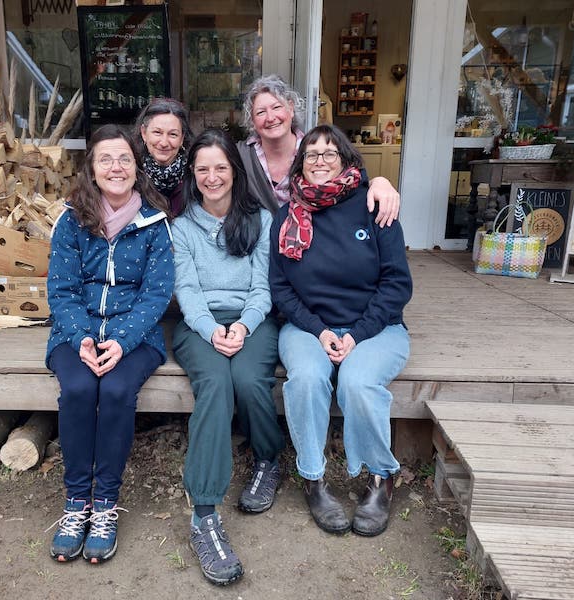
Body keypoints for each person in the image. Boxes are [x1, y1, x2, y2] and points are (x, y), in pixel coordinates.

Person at [269, 124, 412, 538]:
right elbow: (281, 289)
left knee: (357, 381)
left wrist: (357, 334)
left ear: (347, 161)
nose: (320, 161)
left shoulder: (374, 207)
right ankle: (313, 478)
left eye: (330, 153)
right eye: (311, 154)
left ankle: (381, 478)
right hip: (307, 327)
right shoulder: (287, 216)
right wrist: (318, 330)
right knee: (308, 379)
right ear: (300, 163)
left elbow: (397, 284)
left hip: (376, 327)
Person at [45, 124, 174, 564]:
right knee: (79, 390)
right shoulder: (72, 221)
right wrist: (82, 337)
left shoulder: (155, 224)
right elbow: (61, 290)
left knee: (117, 391)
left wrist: (120, 339)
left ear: (136, 168)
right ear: (92, 169)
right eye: (106, 159)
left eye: (124, 159)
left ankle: (105, 506)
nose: (116, 167)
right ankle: (77, 502)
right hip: (75, 332)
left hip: (135, 335)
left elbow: (157, 293)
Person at [172, 129, 285, 585]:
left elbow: (264, 287)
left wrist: (242, 326)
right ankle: (204, 513)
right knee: (216, 383)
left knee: (249, 380)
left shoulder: (260, 220)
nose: (212, 176)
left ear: (234, 173)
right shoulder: (181, 228)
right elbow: (187, 292)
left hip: (252, 319)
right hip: (199, 324)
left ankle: (267, 459)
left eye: (220, 167)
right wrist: (213, 329)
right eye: (203, 169)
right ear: (193, 176)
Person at [237, 74, 401, 224]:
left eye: (277, 107)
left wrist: (379, 182)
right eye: (260, 112)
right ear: (252, 120)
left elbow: (349, 180)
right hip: (260, 248)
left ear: (291, 108)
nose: (270, 118)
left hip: (314, 245)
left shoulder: (317, 149)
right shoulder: (242, 156)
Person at [133, 97, 194, 217]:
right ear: (144, 133)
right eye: (157, 132)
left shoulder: (194, 176)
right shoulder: (132, 175)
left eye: (173, 134)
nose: (164, 143)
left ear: (182, 139)